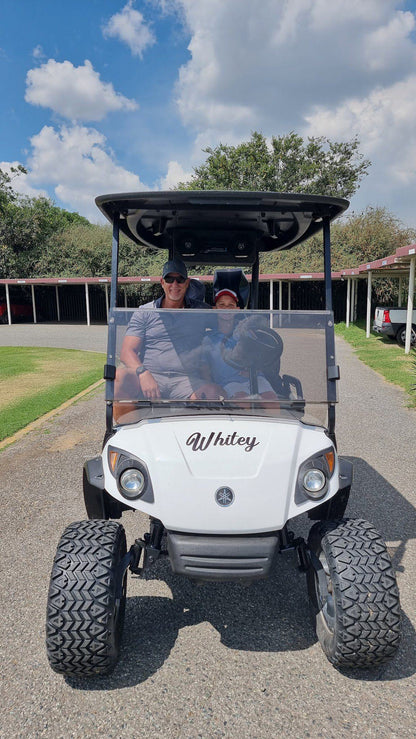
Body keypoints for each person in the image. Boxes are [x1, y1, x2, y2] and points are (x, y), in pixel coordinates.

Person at [117, 258, 212, 403]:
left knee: (213, 393)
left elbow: (227, 320)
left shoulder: (201, 311)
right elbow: (126, 352)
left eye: (180, 279)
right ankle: (130, 424)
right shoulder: (145, 312)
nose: (174, 284)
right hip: (152, 376)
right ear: (162, 282)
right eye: (169, 279)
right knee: (119, 378)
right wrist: (143, 373)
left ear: (187, 283)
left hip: (186, 380)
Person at [201, 288, 277, 400]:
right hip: (228, 382)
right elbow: (204, 368)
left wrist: (254, 370)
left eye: (230, 305)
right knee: (242, 400)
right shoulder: (208, 338)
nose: (226, 309)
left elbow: (260, 358)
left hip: (254, 378)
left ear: (237, 309)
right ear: (214, 309)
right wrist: (211, 386)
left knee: (271, 401)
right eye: (222, 305)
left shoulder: (247, 332)